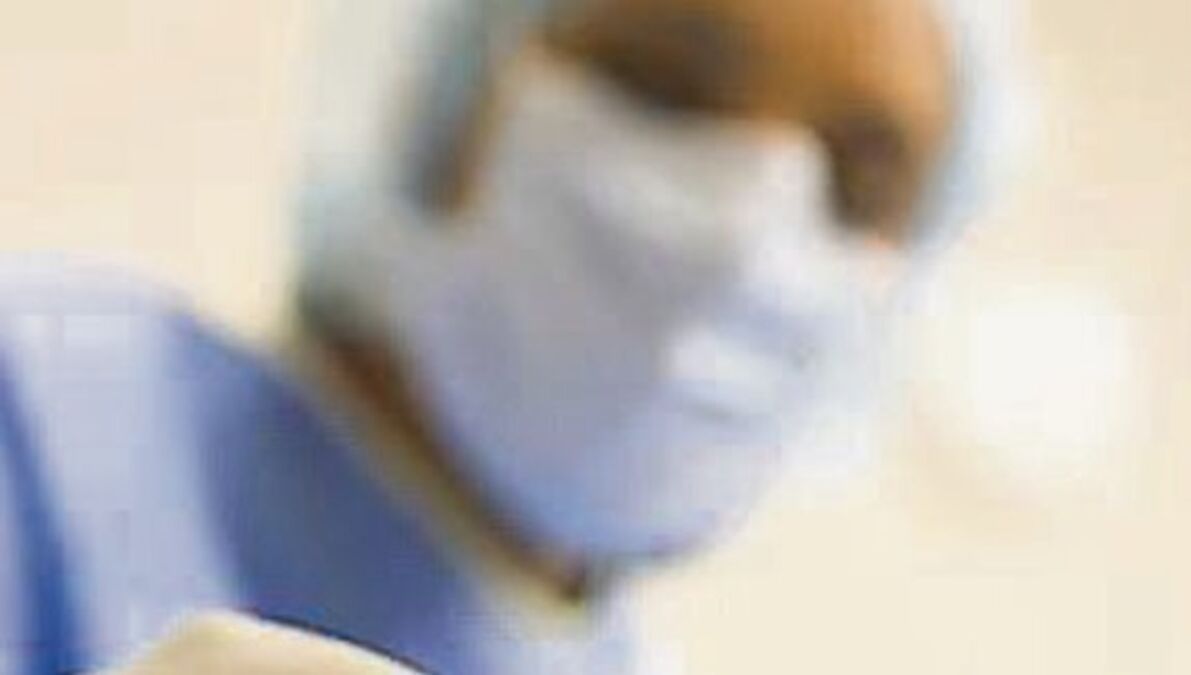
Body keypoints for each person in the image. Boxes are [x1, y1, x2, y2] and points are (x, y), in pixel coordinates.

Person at [0, 0, 1013, 672]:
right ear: (438, 98)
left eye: (862, 174)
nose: (740, 228)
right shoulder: (44, 415)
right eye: (665, 83)